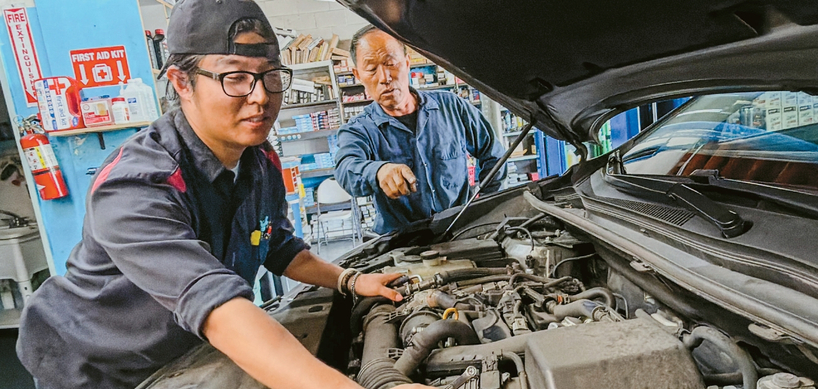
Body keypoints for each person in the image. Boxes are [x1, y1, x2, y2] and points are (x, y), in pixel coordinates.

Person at [16, 2, 427, 389]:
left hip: (189, 346)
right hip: (103, 367)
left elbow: (279, 246)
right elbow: (214, 304)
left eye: (270, 75)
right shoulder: (137, 184)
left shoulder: (259, 160)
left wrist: (351, 280)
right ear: (182, 83)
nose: (261, 96)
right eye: (235, 78)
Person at [334, 26, 506, 235]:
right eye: (371, 69)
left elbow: (494, 154)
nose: (384, 77)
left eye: (391, 63)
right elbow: (346, 169)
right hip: (401, 246)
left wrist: (486, 206)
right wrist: (379, 171)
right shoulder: (358, 130)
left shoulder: (452, 107)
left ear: (407, 64)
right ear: (358, 75)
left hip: (461, 233)